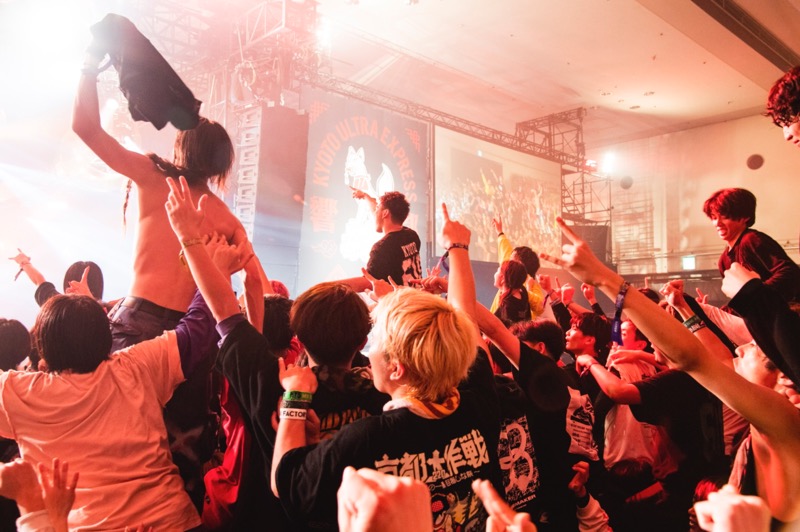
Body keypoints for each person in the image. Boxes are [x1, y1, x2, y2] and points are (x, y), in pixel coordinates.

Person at [543, 216, 800, 528]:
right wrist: (683, 308)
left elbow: (695, 360)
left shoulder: (787, 423)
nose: (741, 349)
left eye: (757, 349)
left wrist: (604, 278)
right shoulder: (775, 422)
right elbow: (714, 359)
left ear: (785, 380)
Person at [270, 204, 502, 530]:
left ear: (396, 367)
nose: (370, 348)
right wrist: (458, 249)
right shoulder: (479, 401)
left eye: (377, 339)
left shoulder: (366, 440)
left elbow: (288, 483)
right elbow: (464, 317)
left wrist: (295, 396)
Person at [702, 188, 800, 303]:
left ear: (745, 217)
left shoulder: (752, 240)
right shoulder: (723, 260)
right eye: (714, 217)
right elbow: (741, 301)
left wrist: (757, 296)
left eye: (724, 216)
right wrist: (705, 310)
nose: (717, 223)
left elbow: (790, 273)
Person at [340, 190, 422, 290]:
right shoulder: (412, 235)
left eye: (377, 208)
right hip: (415, 296)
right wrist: (365, 196)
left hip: (399, 300)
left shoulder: (382, 248)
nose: (375, 212)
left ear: (385, 213)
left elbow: (369, 282)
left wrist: (327, 287)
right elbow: (378, 213)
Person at [490, 217, 547, 318]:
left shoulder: (530, 285)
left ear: (519, 265)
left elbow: (540, 306)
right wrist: (500, 232)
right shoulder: (509, 270)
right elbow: (505, 250)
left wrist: (528, 291)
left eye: (511, 259)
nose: (508, 261)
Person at [9, 250, 105, 308]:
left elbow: (38, 279)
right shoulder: (110, 315)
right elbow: (39, 280)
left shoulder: (57, 305)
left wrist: (24, 262)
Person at [493, 260, 531, 325]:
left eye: (497, 271)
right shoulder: (523, 291)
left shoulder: (507, 308)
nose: (495, 274)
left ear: (503, 278)